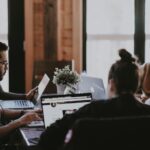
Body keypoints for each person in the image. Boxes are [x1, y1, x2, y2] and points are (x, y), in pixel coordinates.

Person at [38, 49, 150, 150]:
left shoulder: (92, 110)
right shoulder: (147, 113)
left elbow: (46, 138)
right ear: (136, 85)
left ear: (111, 84)